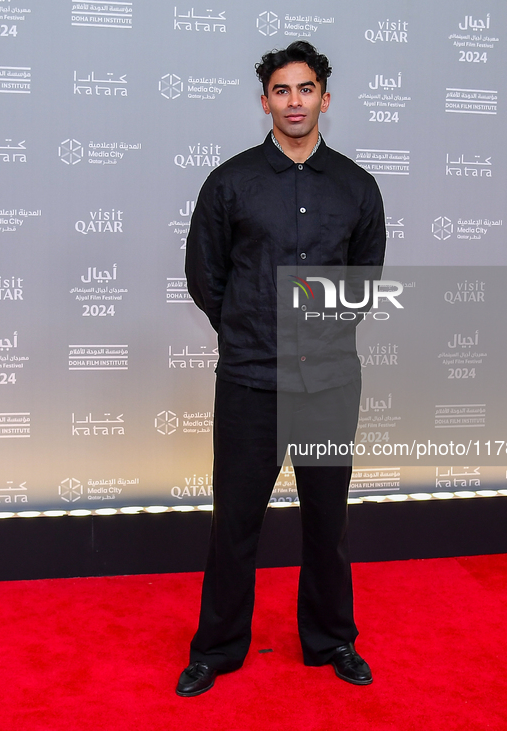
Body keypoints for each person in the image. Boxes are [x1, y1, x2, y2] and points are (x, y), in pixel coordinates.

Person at [177, 41, 386, 697]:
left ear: (325, 96)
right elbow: (204, 274)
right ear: (264, 100)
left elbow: (364, 278)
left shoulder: (356, 186)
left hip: (326, 384)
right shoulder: (230, 182)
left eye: (305, 89)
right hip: (248, 381)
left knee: (328, 521)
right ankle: (215, 649)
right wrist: (245, 325)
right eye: (280, 90)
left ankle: (331, 640)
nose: (293, 102)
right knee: (234, 521)